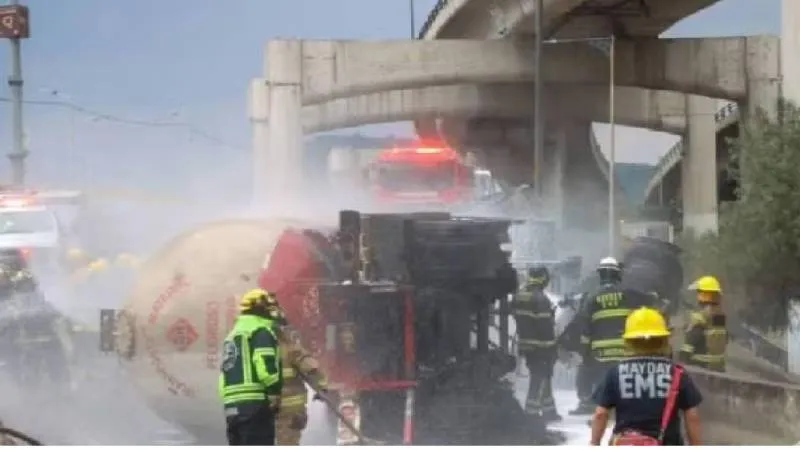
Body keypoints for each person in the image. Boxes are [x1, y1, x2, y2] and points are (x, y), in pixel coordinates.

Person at [590, 307, 703, 445]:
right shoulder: (677, 374)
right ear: (664, 339)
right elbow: (692, 416)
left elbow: (600, 414)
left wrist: (594, 443)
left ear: (628, 341)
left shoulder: (615, 373)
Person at [572, 256, 653, 415]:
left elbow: (585, 327)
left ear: (601, 275)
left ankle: (600, 409)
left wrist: (585, 352)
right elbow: (647, 308)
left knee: (603, 382)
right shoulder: (629, 294)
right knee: (625, 382)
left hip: (600, 353)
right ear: (617, 274)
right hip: (625, 350)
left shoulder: (592, 297)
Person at [218, 288, 283, 445]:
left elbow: (224, 374)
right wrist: (274, 391)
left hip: (232, 407)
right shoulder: (260, 331)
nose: (273, 312)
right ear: (260, 308)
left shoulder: (232, 335)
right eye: (269, 307)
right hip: (255, 405)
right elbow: (265, 367)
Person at [513, 266, 560, 422]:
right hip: (541, 346)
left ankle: (549, 411)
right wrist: (552, 349)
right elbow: (545, 328)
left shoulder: (520, 295)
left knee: (542, 376)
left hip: (526, 345)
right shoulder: (540, 299)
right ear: (542, 278)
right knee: (540, 377)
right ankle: (531, 413)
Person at [275, 319, 329, 445]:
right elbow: (310, 367)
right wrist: (321, 387)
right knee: (287, 442)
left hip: (275, 409)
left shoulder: (255, 348)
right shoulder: (290, 347)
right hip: (291, 409)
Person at [679, 275, 727, 372]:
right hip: (717, 367)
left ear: (703, 294)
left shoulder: (700, 318)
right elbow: (717, 338)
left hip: (699, 366)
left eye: (699, 292)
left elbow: (689, 345)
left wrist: (681, 359)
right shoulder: (719, 316)